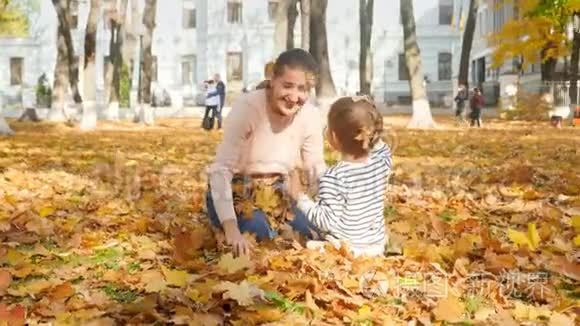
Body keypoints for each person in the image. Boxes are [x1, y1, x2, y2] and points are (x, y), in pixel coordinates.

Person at [205, 48, 326, 257]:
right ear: (272, 79)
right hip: (238, 189)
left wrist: (331, 211)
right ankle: (222, 221)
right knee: (260, 231)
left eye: (302, 89)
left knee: (311, 233)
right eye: (287, 86)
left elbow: (316, 167)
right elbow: (221, 170)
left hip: (280, 191)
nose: (294, 97)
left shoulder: (311, 116)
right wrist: (231, 228)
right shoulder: (248, 107)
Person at [287, 96, 392, 257]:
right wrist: (367, 113)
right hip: (375, 245)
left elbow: (326, 221)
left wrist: (300, 197)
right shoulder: (380, 162)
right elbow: (381, 147)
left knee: (302, 227)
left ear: (334, 137)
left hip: (347, 248)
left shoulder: (334, 177)